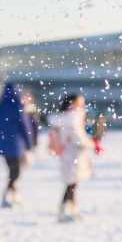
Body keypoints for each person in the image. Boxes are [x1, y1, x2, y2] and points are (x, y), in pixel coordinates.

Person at [0, 83, 35, 208]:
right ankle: (8, 194)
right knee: (15, 171)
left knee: (12, 170)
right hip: (16, 144)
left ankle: (13, 195)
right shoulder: (17, 108)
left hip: (3, 144)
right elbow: (25, 128)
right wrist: (29, 145)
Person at [48, 93, 94, 222]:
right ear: (72, 103)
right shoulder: (72, 118)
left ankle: (69, 209)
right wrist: (91, 144)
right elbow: (78, 138)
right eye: (80, 103)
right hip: (74, 153)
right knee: (72, 183)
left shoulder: (62, 118)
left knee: (71, 182)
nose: (82, 106)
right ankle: (66, 211)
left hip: (67, 153)